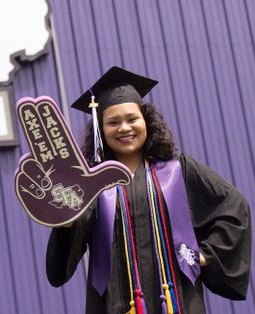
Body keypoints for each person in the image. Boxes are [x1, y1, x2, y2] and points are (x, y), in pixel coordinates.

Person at [46, 66, 251, 313]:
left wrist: (204, 255)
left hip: (177, 301)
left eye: (132, 119)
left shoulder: (179, 171)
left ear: (147, 122)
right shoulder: (93, 185)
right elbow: (69, 246)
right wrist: (66, 223)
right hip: (115, 304)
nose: (124, 128)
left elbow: (234, 207)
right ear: (101, 131)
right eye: (113, 122)